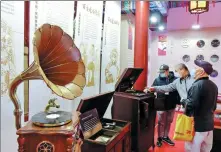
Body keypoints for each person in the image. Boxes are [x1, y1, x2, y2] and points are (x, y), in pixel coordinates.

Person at [181, 60, 218, 152]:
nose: (193, 70)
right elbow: (214, 107)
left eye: (196, 68)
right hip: (209, 124)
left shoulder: (197, 85)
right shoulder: (214, 86)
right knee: (205, 148)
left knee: (192, 147)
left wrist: (183, 101)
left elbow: (191, 104)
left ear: (202, 72)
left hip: (197, 125)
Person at [152, 64, 180, 147]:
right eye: (160, 72)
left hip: (171, 104)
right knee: (161, 122)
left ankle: (165, 136)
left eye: (163, 72)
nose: (161, 73)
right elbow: (152, 89)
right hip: (161, 104)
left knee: (169, 121)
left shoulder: (176, 80)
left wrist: (179, 102)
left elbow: (179, 91)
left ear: (167, 71)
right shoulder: (157, 80)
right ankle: (159, 138)